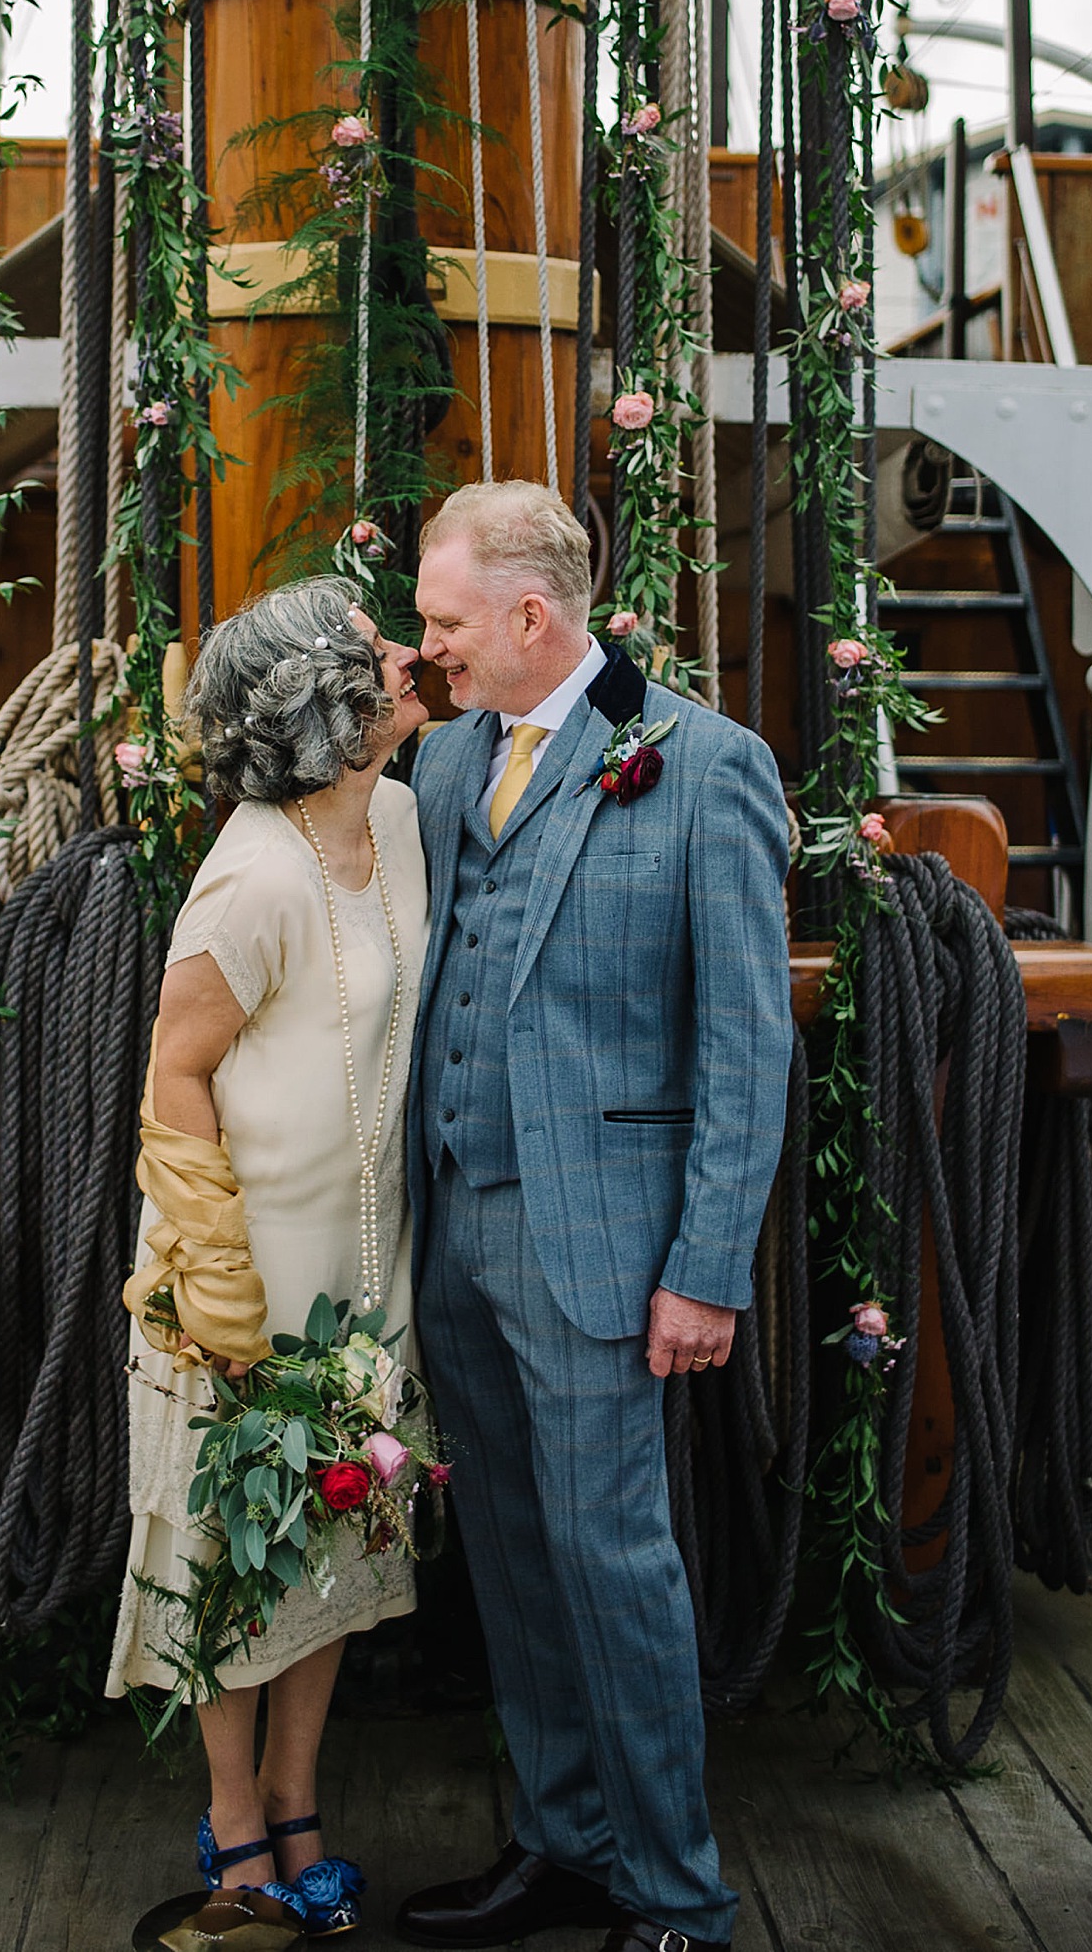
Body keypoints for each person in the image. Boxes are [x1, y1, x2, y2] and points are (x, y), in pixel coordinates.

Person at [394, 481, 791, 1952]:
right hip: (458, 1230)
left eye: (442, 623)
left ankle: (677, 1895)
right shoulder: (443, 765)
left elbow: (749, 1043)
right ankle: (565, 1843)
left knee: (613, 1560)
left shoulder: (704, 764)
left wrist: (707, 1268)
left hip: (607, 1250)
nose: (424, 646)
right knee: (505, 1548)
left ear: (531, 617)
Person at [109, 577, 429, 1952]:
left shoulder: (404, 819)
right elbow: (173, 1074)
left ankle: (302, 1799)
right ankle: (238, 1826)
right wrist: (219, 1290)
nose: (409, 656)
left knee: (335, 1542)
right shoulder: (249, 874)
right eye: (378, 651)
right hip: (244, 1277)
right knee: (232, 1561)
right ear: (326, 708)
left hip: (371, 1271)